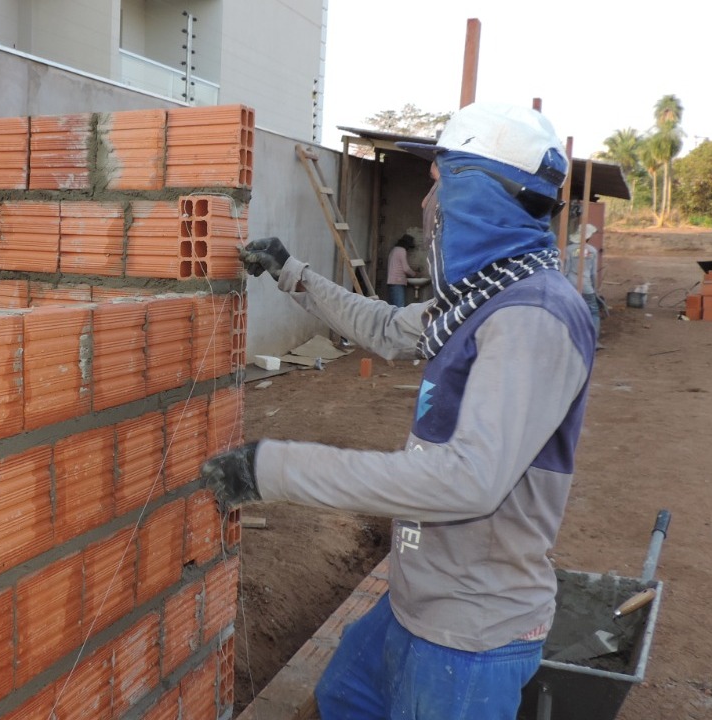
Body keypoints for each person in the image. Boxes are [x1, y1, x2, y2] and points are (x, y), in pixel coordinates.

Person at [200, 102, 596, 720]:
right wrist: (293, 273)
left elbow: (466, 482)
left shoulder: (532, 318)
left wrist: (270, 469)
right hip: (417, 598)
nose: (426, 206)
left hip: (470, 636)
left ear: (478, 194)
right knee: (341, 698)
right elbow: (385, 325)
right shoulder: (481, 296)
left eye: (440, 184)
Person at [563, 214, 603, 347]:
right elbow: (593, 274)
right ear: (588, 236)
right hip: (586, 286)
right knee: (593, 311)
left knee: (570, 311)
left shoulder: (568, 250)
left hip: (569, 285)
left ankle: (569, 339)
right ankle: (593, 341)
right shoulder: (592, 251)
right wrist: (595, 289)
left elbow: (565, 270)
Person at [385, 234, 419, 307]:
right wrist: (414, 274)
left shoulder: (394, 250)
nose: (408, 249)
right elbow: (406, 268)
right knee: (400, 308)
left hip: (391, 282)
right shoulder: (402, 250)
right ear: (406, 244)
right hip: (398, 282)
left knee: (393, 308)